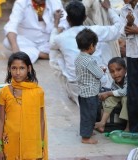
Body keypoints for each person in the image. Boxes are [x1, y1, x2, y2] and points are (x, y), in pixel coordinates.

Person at [49, 0, 121, 106]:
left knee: (56, 51)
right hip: (97, 85)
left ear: (68, 19)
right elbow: (118, 29)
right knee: (104, 45)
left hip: (76, 88)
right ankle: (107, 84)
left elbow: (51, 43)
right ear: (85, 17)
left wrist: (56, 24)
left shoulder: (60, 38)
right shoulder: (95, 31)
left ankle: (73, 91)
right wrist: (109, 9)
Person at [0, 52, 48, 159]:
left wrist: (41, 146)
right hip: (10, 142)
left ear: (29, 68)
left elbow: (41, 121)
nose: (18, 72)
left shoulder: (38, 92)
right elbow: (1, 120)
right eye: (14, 68)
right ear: (9, 69)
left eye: (22, 68)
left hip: (32, 144)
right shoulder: (4, 92)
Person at [3, 0, 69, 63]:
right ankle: (44, 55)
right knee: (8, 42)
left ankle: (30, 54)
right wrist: (16, 50)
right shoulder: (21, 2)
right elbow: (11, 26)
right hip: (27, 41)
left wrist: (56, 31)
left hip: (48, 42)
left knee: (67, 39)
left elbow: (65, 22)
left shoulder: (55, 2)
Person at [75, 28, 105, 144]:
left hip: (82, 92)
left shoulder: (78, 58)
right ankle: (85, 138)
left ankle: (88, 131)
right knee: (90, 114)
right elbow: (98, 74)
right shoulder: (90, 60)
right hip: (90, 93)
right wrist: (102, 70)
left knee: (86, 114)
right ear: (91, 46)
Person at [95, 57, 129, 132]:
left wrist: (108, 93)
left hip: (130, 102)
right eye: (112, 72)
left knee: (126, 99)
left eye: (118, 70)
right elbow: (114, 95)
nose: (115, 74)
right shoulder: (114, 83)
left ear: (125, 70)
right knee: (109, 98)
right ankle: (103, 123)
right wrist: (107, 95)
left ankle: (128, 127)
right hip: (120, 103)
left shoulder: (128, 79)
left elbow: (124, 92)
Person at [119, 0, 138, 132]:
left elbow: (133, 31)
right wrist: (129, 23)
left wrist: (136, 30)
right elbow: (122, 33)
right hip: (132, 55)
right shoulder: (124, 10)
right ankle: (134, 129)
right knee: (133, 93)